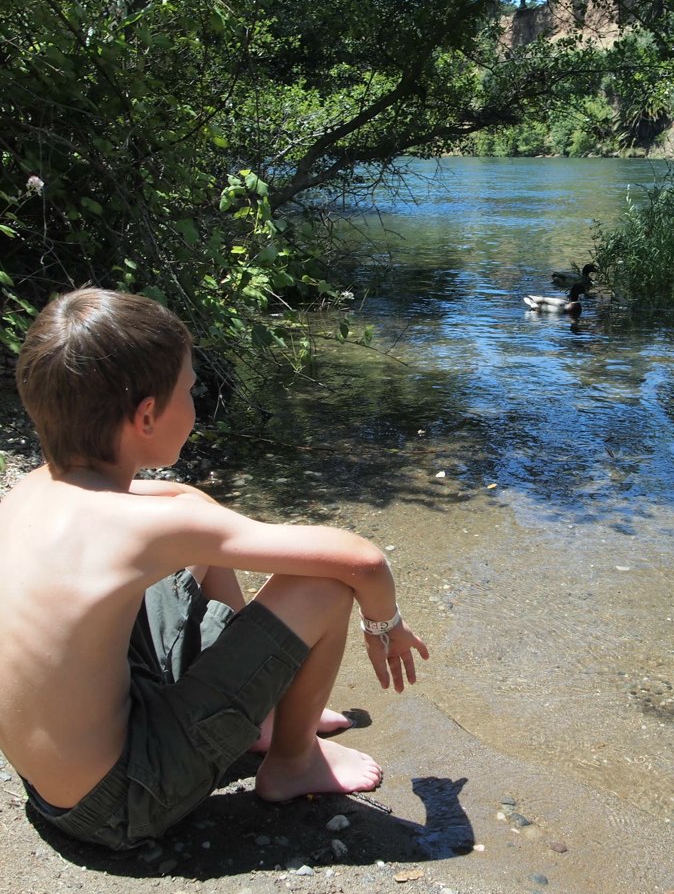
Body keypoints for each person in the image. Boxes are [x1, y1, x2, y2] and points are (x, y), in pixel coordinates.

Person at [0, 287, 429, 850]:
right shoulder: (139, 531)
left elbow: (182, 509)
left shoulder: (31, 490)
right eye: (189, 390)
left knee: (194, 522)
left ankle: (263, 715)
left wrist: (210, 526)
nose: (195, 402)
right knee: (323, 584)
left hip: (53, 782)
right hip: (121, 802)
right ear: (147, 415)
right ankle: (292, 762)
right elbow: (363, 560)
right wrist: (385, 625)